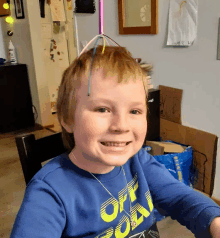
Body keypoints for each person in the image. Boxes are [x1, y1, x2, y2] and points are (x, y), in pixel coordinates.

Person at [11, 46, 220, 237]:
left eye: (135, 111)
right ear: (67, 118)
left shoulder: (138, 160)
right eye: (103, 109)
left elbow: (180, 198)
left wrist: (215, 221)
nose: (121, 126)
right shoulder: (50, 191)